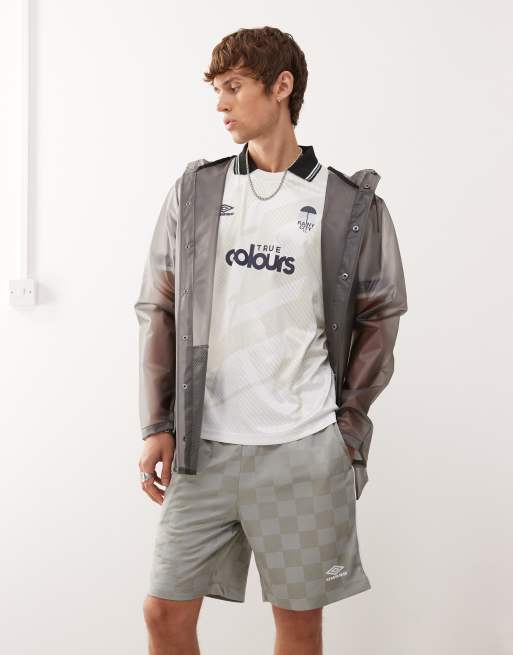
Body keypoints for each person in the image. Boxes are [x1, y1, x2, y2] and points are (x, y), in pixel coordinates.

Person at [135, 25, 408, 655]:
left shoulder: (349, 204)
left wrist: (347, 431)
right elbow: (159, 307)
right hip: (205, 449)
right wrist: (157, 422)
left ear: (281, 86)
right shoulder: (197, 191)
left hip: (303, 449)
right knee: (163, 612)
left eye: (234, 87)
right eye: (216, 90)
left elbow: (381, 316)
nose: (221, 104)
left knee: (298, 625)